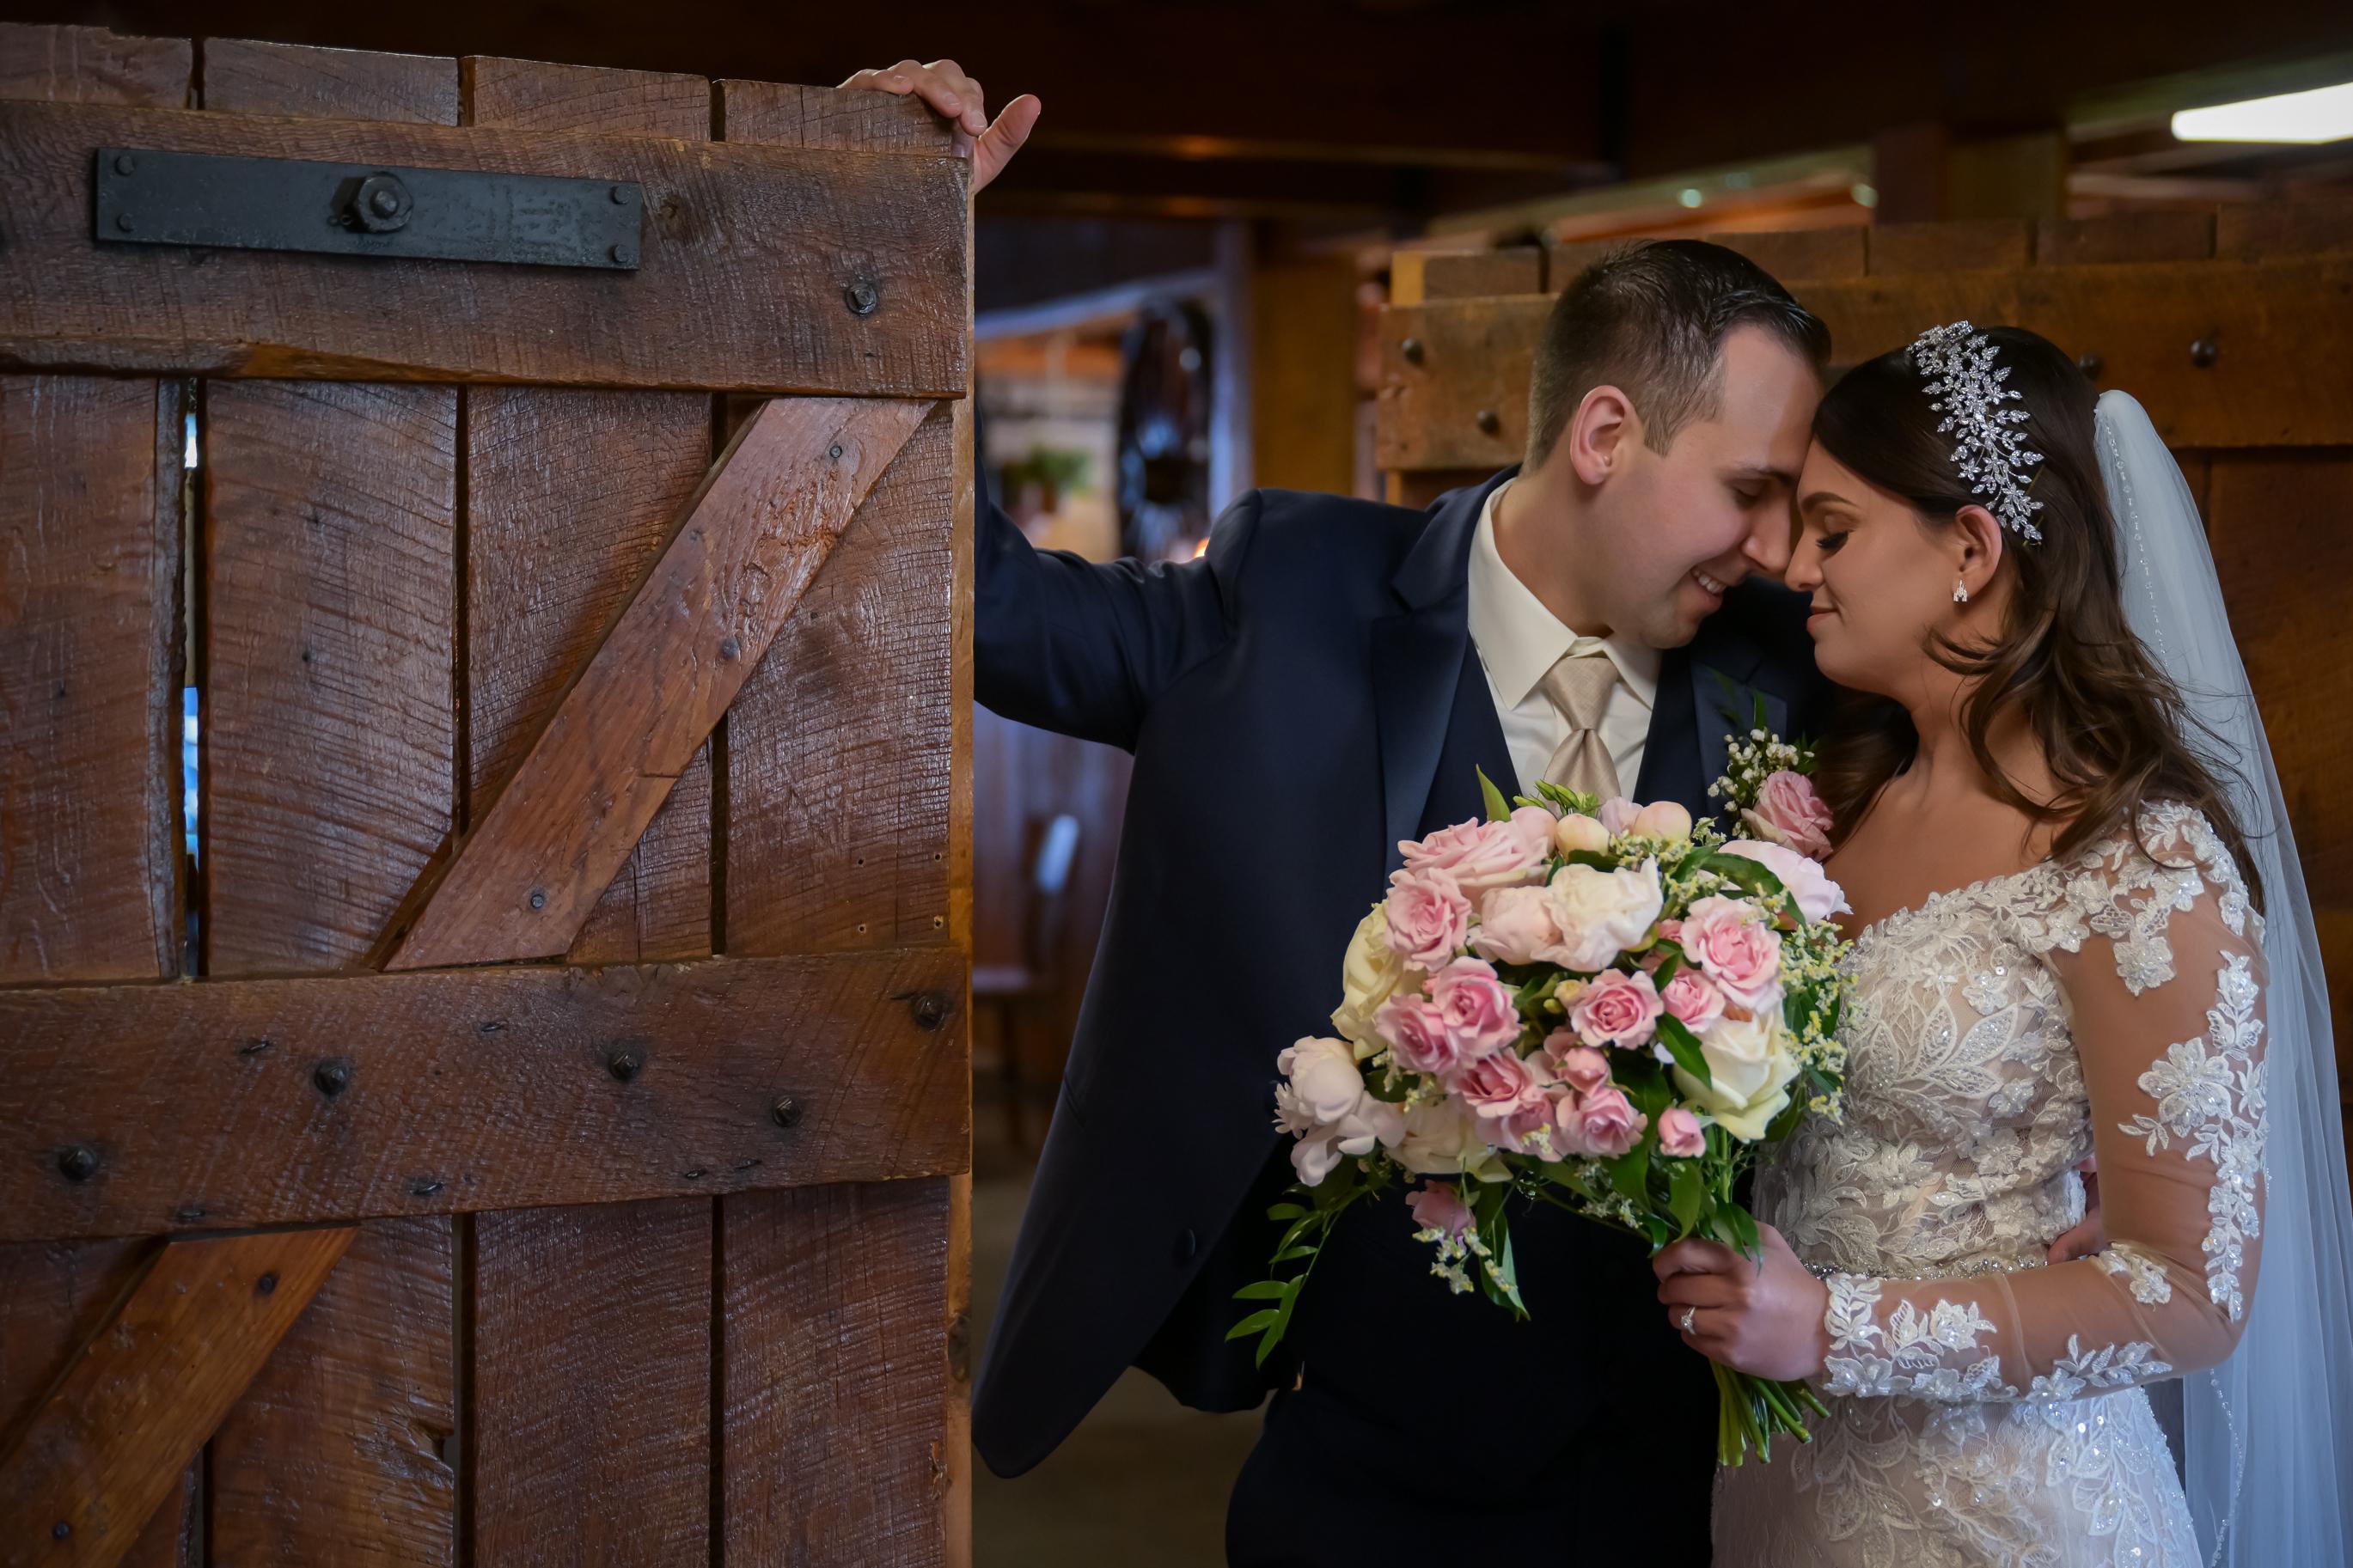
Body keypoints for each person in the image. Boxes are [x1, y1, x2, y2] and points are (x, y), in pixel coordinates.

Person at [844, 60, 1837, 1563]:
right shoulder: (1286, 597)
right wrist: (886, 250)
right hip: (1360, 1471)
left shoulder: (1790, 675)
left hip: (1688, 1482)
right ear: (1605, 435)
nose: (1772, 545)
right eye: (1749, 489)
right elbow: (982, 605)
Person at [1657, 324, 2353, 1565]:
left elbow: (2189, 1297)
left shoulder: (2136, 863)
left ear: (1970, 551)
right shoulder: (1832, 810)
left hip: (2006, 1513)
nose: (1795, 568)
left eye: (1832, 531)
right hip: (1785, 1497)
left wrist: (1831, 1329)